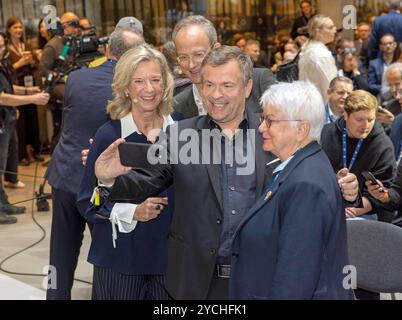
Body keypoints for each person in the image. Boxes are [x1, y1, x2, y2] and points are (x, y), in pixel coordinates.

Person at [94, 46, 275, 300]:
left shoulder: (272, 133)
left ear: (246, 88)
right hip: (199, 283)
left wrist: (348, 191)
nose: (216, 95)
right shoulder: (180, 136)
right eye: (208, 85)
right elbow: (145, 181)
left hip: (260, 278)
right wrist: (109, 179)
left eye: (227, 85)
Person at [229, 81, 355, 300]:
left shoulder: (306, 184)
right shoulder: (300, 166)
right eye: (263, 119)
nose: (261, 128)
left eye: (270, 120)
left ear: (301, 129)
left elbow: (295, 278)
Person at [44, 28, 144, 300]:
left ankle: (55, 296)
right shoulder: (134, 87)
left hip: (65, 174)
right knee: (108, 252)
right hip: (102, 184)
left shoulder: (76, 78)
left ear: (107, 50)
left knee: (60, 251)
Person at [77, 44, 181, 300]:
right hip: (119, 261)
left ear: (166, 84)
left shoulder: (181, 130)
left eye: (156, 79)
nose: (149, 89)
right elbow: (88, 202)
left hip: (172, 263)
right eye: (139, 81)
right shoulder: (110, 136)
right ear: (126, 87)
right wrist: (131, 211)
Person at [172, 15, 276, 119]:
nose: (191, 64)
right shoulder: (176, 106)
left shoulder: (258, 82)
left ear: (216, 49)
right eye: (183, 57)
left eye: (198, 54)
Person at [321, 90, 396, 221]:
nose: (366, 126)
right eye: (359, 119)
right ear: (345, 115)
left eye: (370, 119)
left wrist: (353, 210)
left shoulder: (383, 145)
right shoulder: (326, 133)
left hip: (365, 212)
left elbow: (386, 191)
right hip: (327, 203)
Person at [0, 32, 50, 224]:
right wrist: (31, 99)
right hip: (2, 121)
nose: (2, 50)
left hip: (8, 120)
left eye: (3, 46)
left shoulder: (2, 63)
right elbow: (2, 97)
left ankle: (3, 202)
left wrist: (28, 90)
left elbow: (8, 89)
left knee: (3, 166)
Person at [6, 16, 42, 177]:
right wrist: (20, 62)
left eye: (20, 27)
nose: (19, 30)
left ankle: (32, 149)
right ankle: (22, 154)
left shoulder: (26, 45)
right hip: (15, 87)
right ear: (9, 30)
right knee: (20, 123)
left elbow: (35, 65)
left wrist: (32, 59)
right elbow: (7, 72)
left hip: (28, 85)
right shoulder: (5, 48)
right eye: (15, 27)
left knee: (32, 120)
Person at [298, 14, 338, 103]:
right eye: (331, 27)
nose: (335, 30)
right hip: (320, 106)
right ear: (318, 32)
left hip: (307, 103)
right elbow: (330, 86)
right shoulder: (321, 54)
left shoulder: (307, 49)